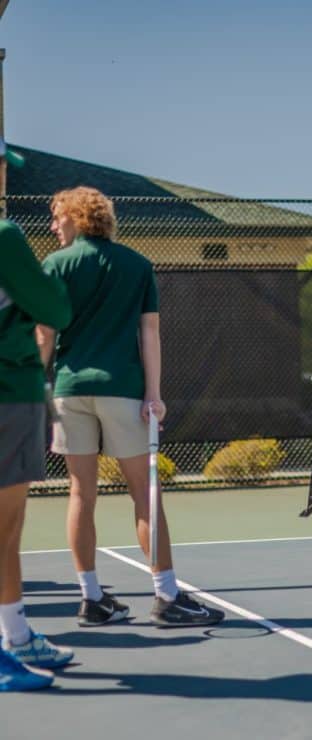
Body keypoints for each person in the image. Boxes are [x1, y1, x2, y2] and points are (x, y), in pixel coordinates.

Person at [36, 186, 224, 628]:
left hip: (69, 391)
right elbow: (150, 335)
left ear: (78, 218)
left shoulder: (55, 265)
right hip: (124, 390)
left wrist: (30, 387)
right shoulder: (138, 265)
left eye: (57, 217)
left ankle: (92, 598)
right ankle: (167, 597)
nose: (52, 225)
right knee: (145, 492)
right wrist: (153, 394)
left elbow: (44, 334)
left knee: (81, 494)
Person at [0, 137, 74, 691]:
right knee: (4, 529)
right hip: (9, 391)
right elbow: (55, 308)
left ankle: (17, 636)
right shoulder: (5, 236)